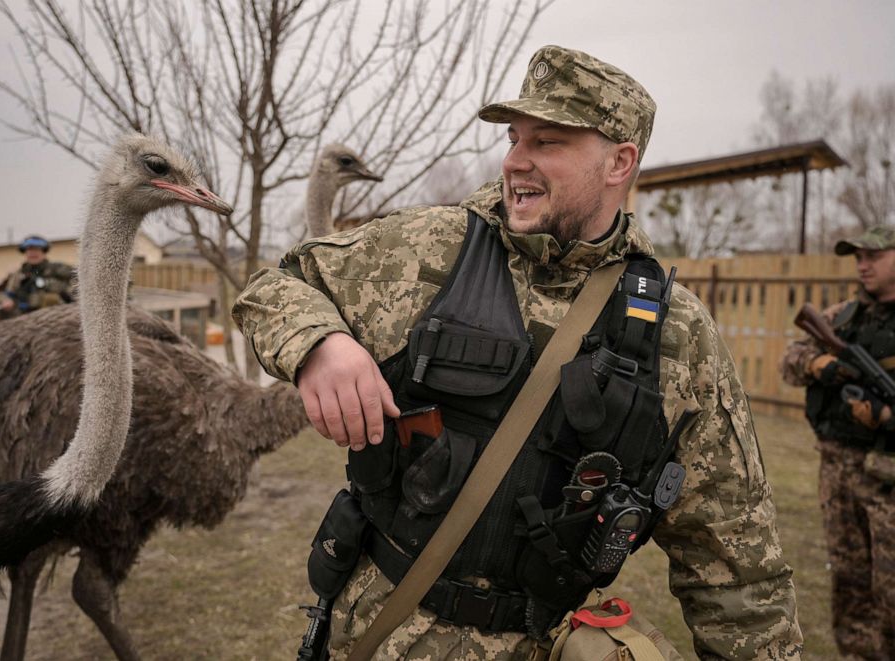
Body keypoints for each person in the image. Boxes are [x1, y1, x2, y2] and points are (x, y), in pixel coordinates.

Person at [234, 46, 801, 659]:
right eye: (514, 138)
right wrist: (321, 344)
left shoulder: (678, 337)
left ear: (620, 162)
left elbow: (739, 570)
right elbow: (278, 286)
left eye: (548, 143)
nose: (515, 161)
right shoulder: (428, 250)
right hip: (374, 634)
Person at [781, 226, 895, 660]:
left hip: (887, 478)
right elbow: (789, 362)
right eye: (857, 256)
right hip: (838, 471)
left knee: (889, 588)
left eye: (874, 255)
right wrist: (821, 363)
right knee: (848, 581)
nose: (862, 264)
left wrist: (883, 416)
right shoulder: (843, 316)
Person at [1, 235, 75, 315]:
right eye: (29, 250)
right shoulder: (19, 274)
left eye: (37, 249)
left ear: (44, 252)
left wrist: (51, 285)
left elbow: (75, 284)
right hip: (26, 315)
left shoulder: (58, 269)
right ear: (25, 252)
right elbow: (9, 294)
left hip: (56, 315)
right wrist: (8, 301)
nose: (33, 253)